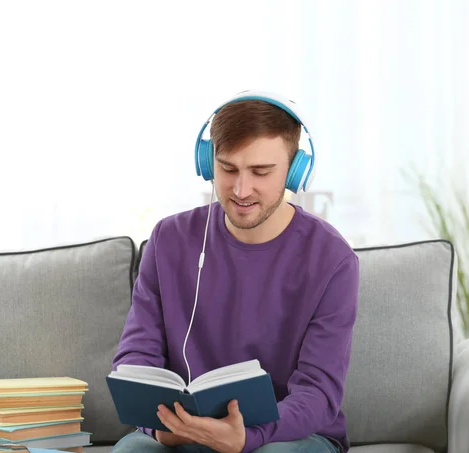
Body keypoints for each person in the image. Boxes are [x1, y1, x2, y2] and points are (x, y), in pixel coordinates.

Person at [111, 90, 360, 453]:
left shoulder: (332, 259)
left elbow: (318, 393)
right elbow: (135, 359)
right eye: (228, 169)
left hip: (286, 436)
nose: (241, 190)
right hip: (183, 432)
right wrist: (158, 427)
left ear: (295, 171)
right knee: (132, 451)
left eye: (261, 171)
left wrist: (248, 437)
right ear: (207, 163)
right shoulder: (169, 240)